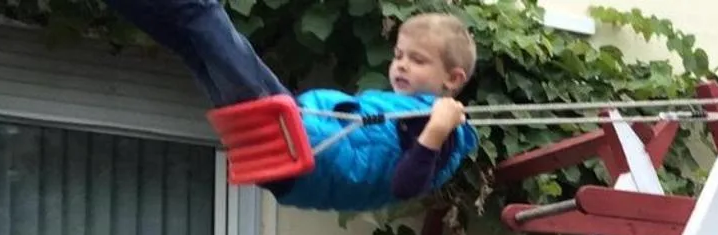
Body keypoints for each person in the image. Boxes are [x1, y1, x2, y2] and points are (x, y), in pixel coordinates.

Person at [101, 0, 479, 212]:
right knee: (192, 43)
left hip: (292, 144)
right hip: (286, 151)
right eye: (398, 55)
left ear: (453, 79)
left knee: (202, 16)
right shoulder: (403, 112)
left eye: (418, 60)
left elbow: (405, 185)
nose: (401, 65)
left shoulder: (439, 125)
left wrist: (438, 128)